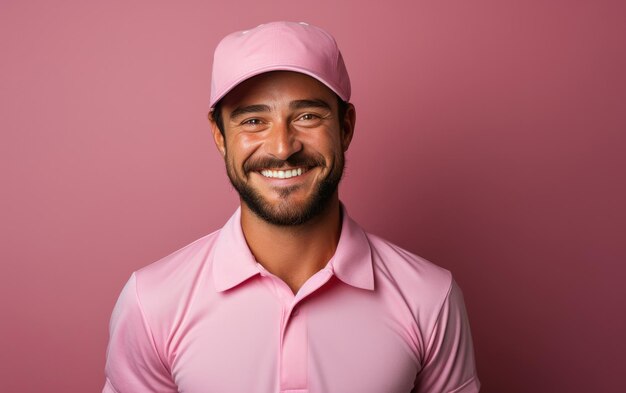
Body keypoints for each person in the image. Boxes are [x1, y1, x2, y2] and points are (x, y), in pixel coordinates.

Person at [103, 21, 480, 393]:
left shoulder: (430, 298)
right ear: (219, 135)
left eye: (307, 116)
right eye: (254, 120)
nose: (283, 147)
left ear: (345, 127)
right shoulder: (152, 302)